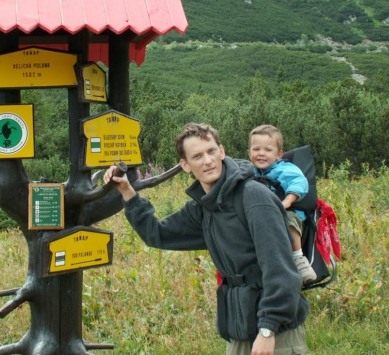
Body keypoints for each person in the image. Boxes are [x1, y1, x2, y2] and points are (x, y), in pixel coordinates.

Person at [104, 123, 309, 355]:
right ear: (185, 165)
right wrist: (128, 192)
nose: (208, 161)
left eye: (211, 151)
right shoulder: (203, 207)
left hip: (275, 333)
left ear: (222, 151)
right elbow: (158, 234)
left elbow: (280, 269)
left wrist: (267, 330)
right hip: (240, 328)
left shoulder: (254, 197)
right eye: (197, 156)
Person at [248, 124, 317, 284]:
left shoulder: (283, 169)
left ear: (279, 154)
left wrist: (287, 201)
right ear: (249, 152)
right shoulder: (250, 173)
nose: (261, 154)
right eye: (256, 149)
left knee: (289, 219)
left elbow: (298, 182)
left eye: (268, 150)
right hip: (264, 217)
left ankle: (299, 258)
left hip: (286, 212)